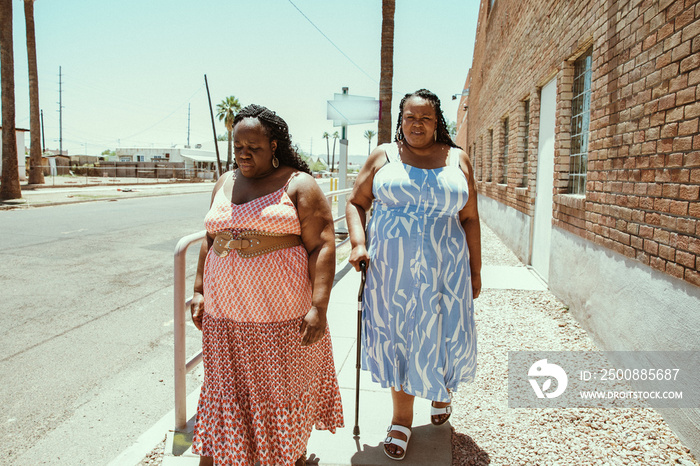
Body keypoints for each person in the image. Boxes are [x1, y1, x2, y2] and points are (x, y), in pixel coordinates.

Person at [190, 104, 344, 466]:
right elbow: (210, 238)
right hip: (224, 318)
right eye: (238, 146)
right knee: (227, 394)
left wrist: (319, 307)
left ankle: (287, 456)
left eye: (253, 147)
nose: (244, 153)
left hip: (280, 320)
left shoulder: (299, 184)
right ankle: (233, 455)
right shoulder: (225, 182)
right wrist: (198, 290)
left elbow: (323, 244)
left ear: (274, 145)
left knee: (280, 396)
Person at [346, 89, 481, 461]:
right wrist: (358, 244)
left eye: (425, 118)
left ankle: (441, 391)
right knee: (399, 338)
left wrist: (476, 268)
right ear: (400, 120)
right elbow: (357, 203)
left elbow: (469, 218)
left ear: (438, 122)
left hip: (446, 268)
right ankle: (401, 421)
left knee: (442, 330)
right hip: (391, 271)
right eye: (409, 117)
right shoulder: (383, 157)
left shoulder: (458, 160)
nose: (416, 124)